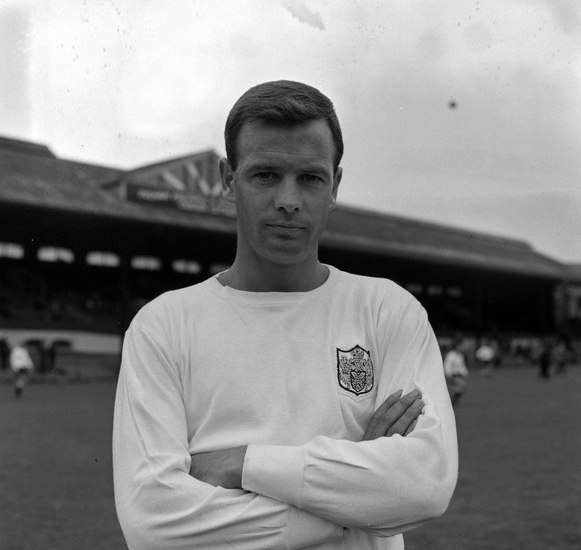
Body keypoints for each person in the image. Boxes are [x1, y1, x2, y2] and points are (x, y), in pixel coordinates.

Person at [113, 80, 458, 549]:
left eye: (310, 178)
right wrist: (354, 503)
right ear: (228, 180)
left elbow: (424, 484)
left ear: (335, 185)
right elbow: (153, 524)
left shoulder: (387, 311)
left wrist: (243, 464)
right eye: (265, 175)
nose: (288, 200)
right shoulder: (162, 326)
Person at [443, 336, 469, 405]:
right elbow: (447, 365)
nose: (463, 347)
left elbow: (462, 365)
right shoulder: (450, 355)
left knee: (462, 388)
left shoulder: (460, 355)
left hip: (459, 375)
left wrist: (464, 372)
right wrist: (449, 374)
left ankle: (453, 400)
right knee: (461, 386)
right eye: (461, 345)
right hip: (453, 376)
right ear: (457, 345)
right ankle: (452, 400)